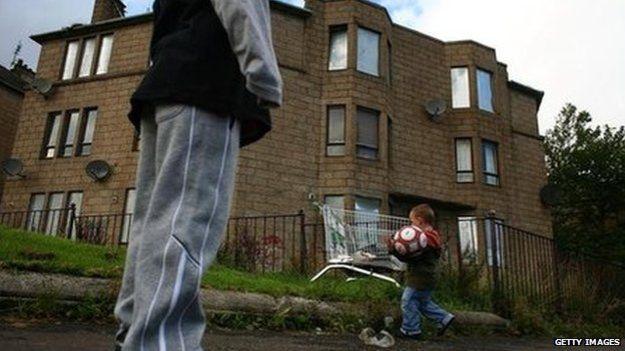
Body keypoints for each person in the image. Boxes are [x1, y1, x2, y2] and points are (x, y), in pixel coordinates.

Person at [113, 1, 282, 350]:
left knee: (152, 222)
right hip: (205, 84)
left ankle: (133, 330)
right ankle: (161, 341)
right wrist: (263, 75)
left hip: (164, 84)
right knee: (187, 221)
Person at [387, 204, 455, 340]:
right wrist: (394, 249)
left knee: (408, 300)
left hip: (420, 276)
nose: (411, 224)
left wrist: (395, 248)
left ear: (419, 220)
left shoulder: (422, 239)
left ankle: (410, 329)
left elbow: (410, 257)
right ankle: (444, 318)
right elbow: (410, 257)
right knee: (423, 302)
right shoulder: (430, 238)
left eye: (412, 221)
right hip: (429, 276)